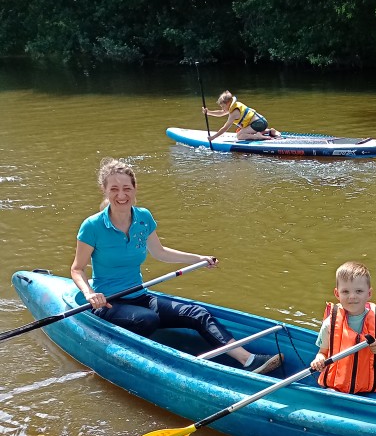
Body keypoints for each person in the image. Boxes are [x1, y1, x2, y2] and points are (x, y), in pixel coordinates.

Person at [71, 158, 283, 374]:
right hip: (108, 304)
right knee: (148, 319)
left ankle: (248, 360)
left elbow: (160, 252)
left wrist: (198, 259)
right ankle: (131, 359)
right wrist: (90, 294)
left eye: (127, 188)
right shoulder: (92, 226)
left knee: (197, 313)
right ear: (105, 190)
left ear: (135, 189)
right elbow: (77, 269)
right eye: (114, 189)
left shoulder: (143, 218)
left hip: (140, 296)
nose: (121, 195)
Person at [310, 261, 376, 397]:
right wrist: (318, 360)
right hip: (337, 389)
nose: (352, 297)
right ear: (337, 294)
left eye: (359, 291)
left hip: (369, 389)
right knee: (330, 395)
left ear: (369, 293)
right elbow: (322, 353)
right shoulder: (329, 324)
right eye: (345, 291)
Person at [202, 91, 281, 142]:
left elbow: (225, 128)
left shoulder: (234, 113)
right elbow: (221, 113)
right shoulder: (236, 105)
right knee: (243, 131)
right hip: (262, 122)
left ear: (228, 103)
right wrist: (208, 112)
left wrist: (213, 137)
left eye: (223, 106)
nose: (222, 109)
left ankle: (257, 136)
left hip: (257, 124)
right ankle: (269, 131)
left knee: (239, 135)